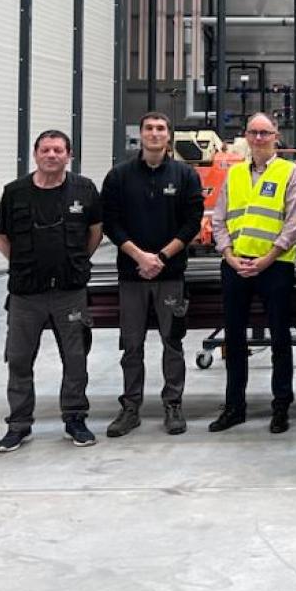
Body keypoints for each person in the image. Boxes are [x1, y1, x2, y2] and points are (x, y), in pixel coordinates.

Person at [0, 129, 104, 453]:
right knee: (19, 358)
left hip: (70, 291)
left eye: (58, 150)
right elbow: (2, 236)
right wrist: (26, 264)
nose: (52, 155)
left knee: (75, 358)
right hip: (26, 294)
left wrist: (76, 263)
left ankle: (75, 419)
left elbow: (95, 231)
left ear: (69, 155)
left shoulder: (84, 189)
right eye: (45, 150)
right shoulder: (14, 192)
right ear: (35, 154)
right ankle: (18, 424)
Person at [99, 111, 203, 438]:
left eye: (160, 128)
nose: (155, 133)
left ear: (169, 135)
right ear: (141, 134)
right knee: (131, 345)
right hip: (132, 275)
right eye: (149, 128)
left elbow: (192, 223)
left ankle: (173, 404)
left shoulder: (186, 175)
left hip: (170, 275)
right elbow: (110, 222)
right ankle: (131, 407)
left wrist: (160, 257)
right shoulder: (119, 176)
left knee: (173, 342)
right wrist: (140, 257)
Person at [208, 111, 296, 435]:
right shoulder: (234, 173)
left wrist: (268, 258)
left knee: (279, 338)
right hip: (236, 265)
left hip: (275, 266)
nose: (259, 138)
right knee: (234, 339)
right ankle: (234, 407)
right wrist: (228, 255)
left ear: (276, 136)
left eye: (265, 132)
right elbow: (219, 219)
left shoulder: (289, 172)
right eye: (254, 132)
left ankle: (281, 407)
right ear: (247, 137)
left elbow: (294, 222)